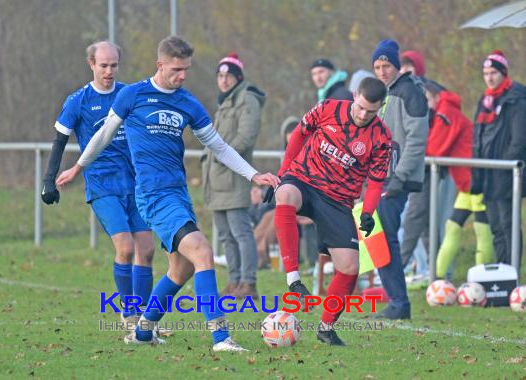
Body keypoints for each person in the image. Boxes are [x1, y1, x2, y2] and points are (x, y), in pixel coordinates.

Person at [56, 35, 279, 352]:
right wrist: (78, 167)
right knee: (202, 252)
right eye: (177, 69)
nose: (183, 75)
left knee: (182, 268)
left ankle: (143, 332)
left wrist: (255, 175)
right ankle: (220, 337)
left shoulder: (187, 102)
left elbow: (217, 146)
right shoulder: (133, 95)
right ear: (160, 65)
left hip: (178, 194)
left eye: (187, 69)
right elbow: (102, 135)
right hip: (152, 195)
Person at [40, 41, 155, 325]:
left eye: (114, 65)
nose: (109, 71)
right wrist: (49, 180)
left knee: (148, 250)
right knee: (126, 248)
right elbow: (60, 140)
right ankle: (128, 313)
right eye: (103, 65)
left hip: (134, 183)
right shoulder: (77, 100)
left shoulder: (128, 95)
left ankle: (143, 320)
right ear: (91, 64)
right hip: (103, 185)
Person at [271, 77, 392, 345]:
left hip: (338, 201)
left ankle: (326, 328)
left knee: (349, 267)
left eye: (371, 111)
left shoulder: (382, 138)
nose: (363, 115)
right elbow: (298, 135)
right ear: (354, 95)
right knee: (285, 195)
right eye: (360, 107)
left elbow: (375, 182)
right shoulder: (327, 108)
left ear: (381, 107)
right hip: (305, 179)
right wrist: (283, 173)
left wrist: (368, 212)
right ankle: (294, 280)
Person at [372, 39, 429, 320]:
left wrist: (399, 177)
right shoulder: (385, 93)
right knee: (379, 238)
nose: (382, 71)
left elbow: (417, 141)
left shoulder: (409, 92)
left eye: (386, 66)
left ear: (396, 66)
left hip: (398, 180)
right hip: (383, 178)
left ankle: (399, 302)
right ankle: (396, 300)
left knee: (386, 238)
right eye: (377, 67)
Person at [202, 52, 266, 300]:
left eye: (228, 75)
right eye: (219, 75)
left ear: (238, 77)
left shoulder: (246, 99)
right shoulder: (226, 101)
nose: (223, 80)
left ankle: (248, 283)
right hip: (216, 179)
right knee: (226, 236)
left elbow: (245, 137)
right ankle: (234, 281)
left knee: (241, 232)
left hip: (233, 176)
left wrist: (221, 156)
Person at [422, 81, 494, 277]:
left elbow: (435, 149)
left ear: (436, 97)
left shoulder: (446, 112)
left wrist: (414, 154)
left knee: (482, 231)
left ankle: (484, 280)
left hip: (477, 181)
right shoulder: (443, 112)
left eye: (427, 99)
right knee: (452, 228)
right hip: (466, 185)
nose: (426, 104)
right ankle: (436, 280)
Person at [471, 50, 526, 266]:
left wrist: (503, 166)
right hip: (487, 173)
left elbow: (519, 140)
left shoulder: (516, 100)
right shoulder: (485, 101)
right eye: (485, 73)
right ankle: (502, 270)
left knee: (508, 224)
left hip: (506, 173)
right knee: (495, 226)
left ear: (503, 73)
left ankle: (511, 271)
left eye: (494, 72)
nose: (489, 77)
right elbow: (478, 136)